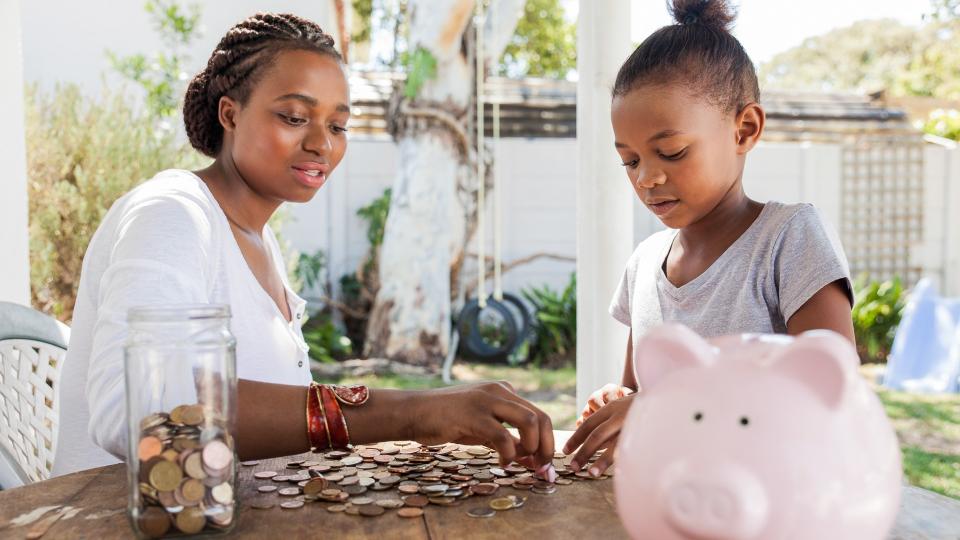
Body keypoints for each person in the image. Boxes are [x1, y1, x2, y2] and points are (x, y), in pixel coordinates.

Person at [53, 13, 553, 477]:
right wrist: (414, 412)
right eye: (294, 117)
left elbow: (271, 413)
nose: (322, 144)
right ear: (230, 114)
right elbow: (137, 411)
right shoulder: (172, 214)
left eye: (338, 126)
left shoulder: (258, 236)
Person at [563, 0, 855, 477]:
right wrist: (621, 405)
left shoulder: (787, 240)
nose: (647, 178)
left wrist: (662, 407)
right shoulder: (643, 265)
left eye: (671, 152)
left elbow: (830, 392)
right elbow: (643, 394)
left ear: (745, 129)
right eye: (630, 161)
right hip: (670, 503)